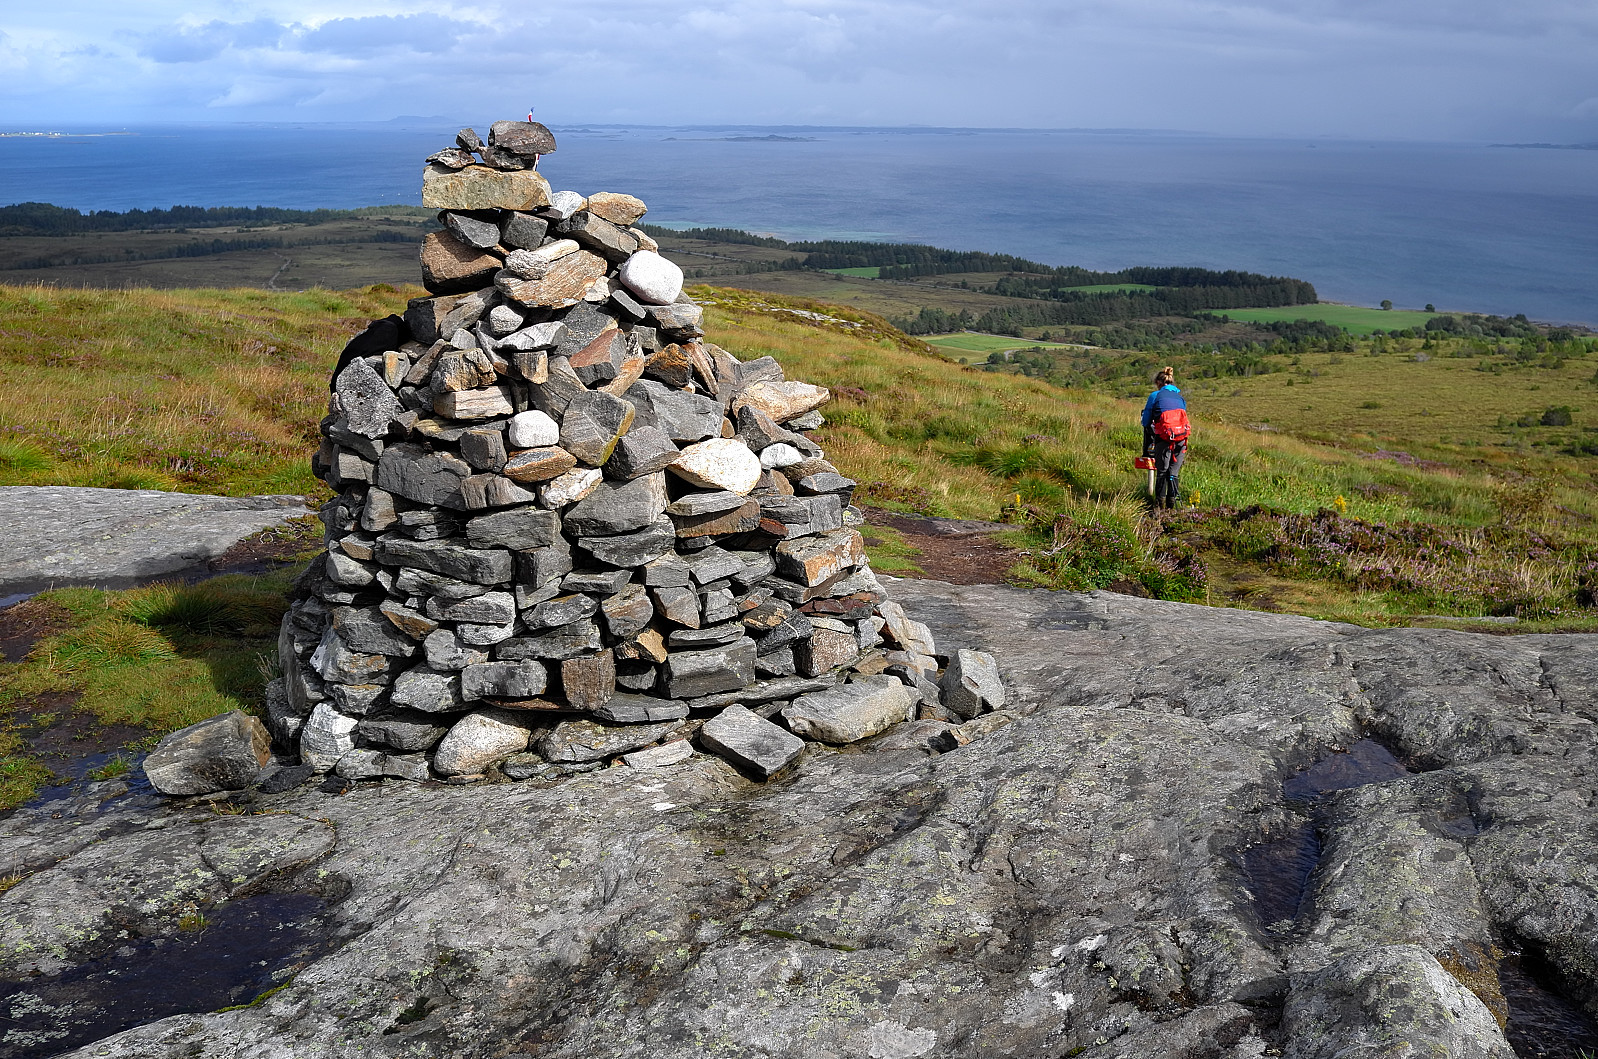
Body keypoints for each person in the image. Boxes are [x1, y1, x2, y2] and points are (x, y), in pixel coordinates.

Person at [1141, 366, 1190, 509]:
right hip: (1181, 439)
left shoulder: (1155, 396)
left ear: (1158, 382)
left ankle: (1159, 508)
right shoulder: (1180, 397)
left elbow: (1146, 422)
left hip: (1164, 438)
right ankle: (1171, 509)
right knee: (1173, 473)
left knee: (1162, 472)